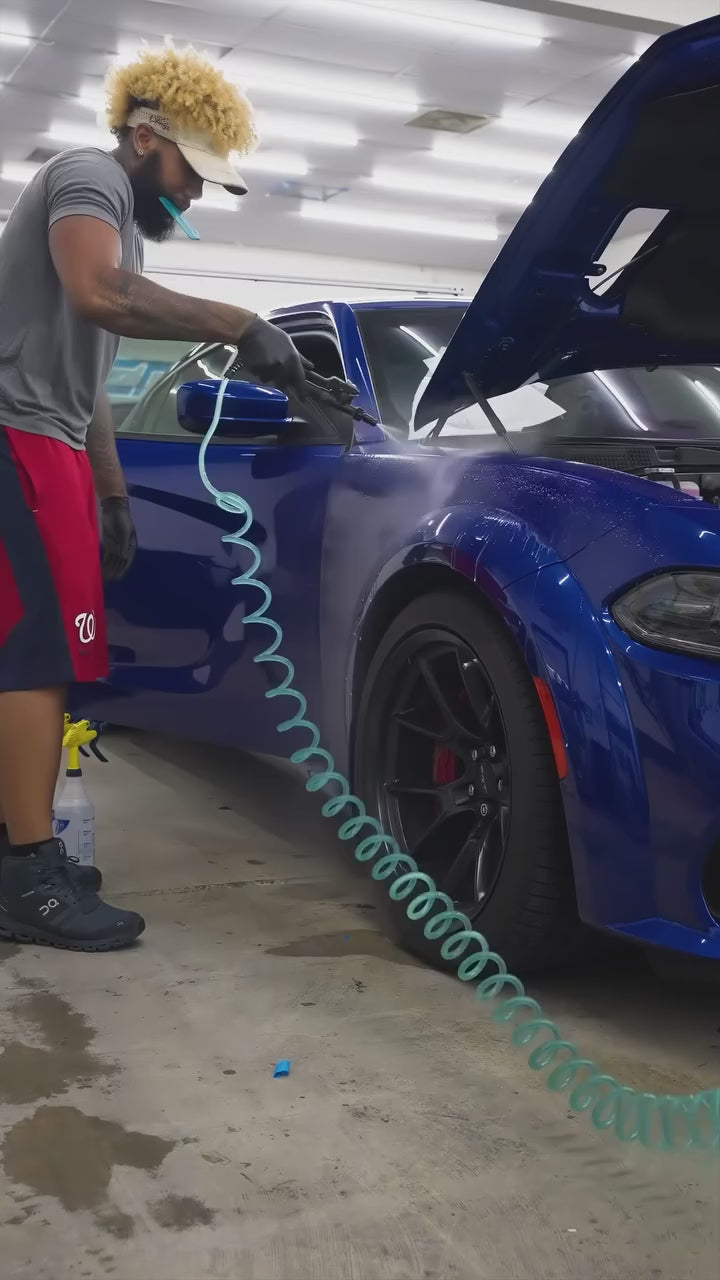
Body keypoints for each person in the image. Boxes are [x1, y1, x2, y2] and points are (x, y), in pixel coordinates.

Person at [0, 42, 307, 952]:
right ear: (144, 138)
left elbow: (87, 377)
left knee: (45, 658)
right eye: (190, 172)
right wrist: (237, 323)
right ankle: (26, 873)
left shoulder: (124, 229)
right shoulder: (87, 177)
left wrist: (112, 494)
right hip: (9, 436)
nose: (195, 194)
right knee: (29, 656)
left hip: (50, 442)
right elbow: (98, 293)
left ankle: (20, 851)